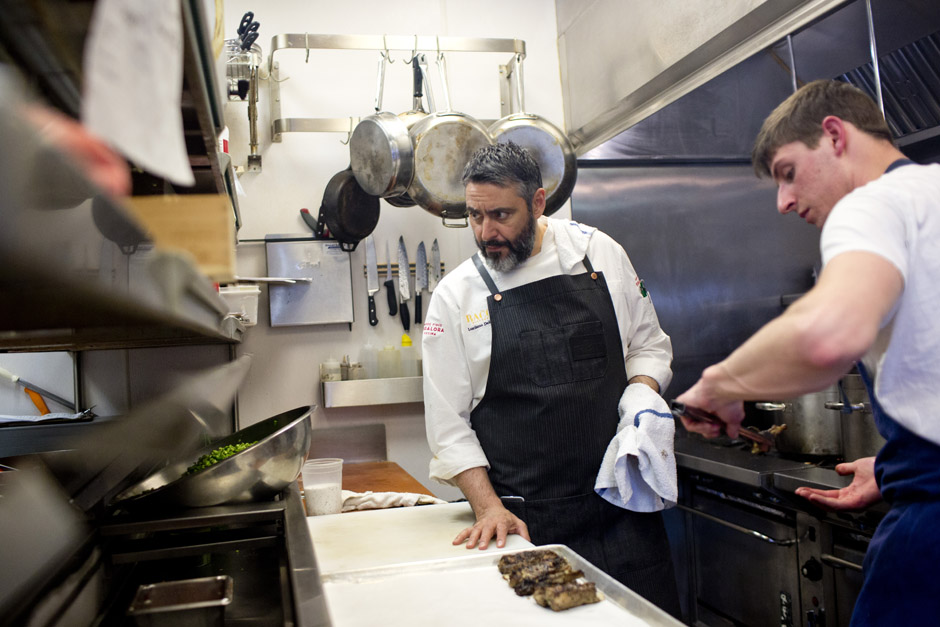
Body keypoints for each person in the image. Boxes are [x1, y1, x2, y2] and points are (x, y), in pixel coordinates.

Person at [676, 79, 940, 626]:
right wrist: (896, 467)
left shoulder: (872, 204)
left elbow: (828, 335)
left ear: (835, 136)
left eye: (788, 173)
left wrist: (717, 386)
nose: (784, 202)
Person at [422, 141, 681, 616]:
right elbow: (448, 423)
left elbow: (648, 345)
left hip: (622, 507)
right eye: (475, 217)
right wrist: (487, 508)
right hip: (526, 520)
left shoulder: (596, 252)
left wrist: (642, 400)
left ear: (539, 203)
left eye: (501, 215)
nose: (486, 233)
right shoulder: (456, 296)